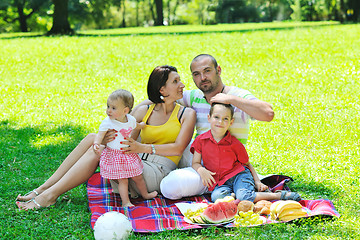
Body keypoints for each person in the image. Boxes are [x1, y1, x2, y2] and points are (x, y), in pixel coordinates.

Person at [16, 65, 196, 210]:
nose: (182, 85)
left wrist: (142, 148)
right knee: (93, 139)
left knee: (98, 152)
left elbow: (178, 148)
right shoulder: (146, 110)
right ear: (162, 89)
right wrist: (104, 140)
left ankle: (49, 196)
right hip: (136, 160)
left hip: (157, 171)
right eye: (176, 81)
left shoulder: (186, 114)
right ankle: (42, 189)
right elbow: (123, 136)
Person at [159, 54, 275, 199]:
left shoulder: (238, 95)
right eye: (197, 74)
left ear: (218, 70)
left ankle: (231, 187)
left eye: (207, 71)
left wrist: (230, 99)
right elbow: (160, 100)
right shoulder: (195, 96)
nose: (203, 78)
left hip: (226, 169)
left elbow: (268, 114)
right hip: (197, 161)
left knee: (171, 187)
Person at [192, 102, 301, 202]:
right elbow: (195, 162)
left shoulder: (234, 143)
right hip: (220, 182)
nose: (220, 122)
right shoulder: (201, 140)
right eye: (216, 117)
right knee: (216, 197)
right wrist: (201, 170)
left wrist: (257, 181)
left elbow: (247, 164)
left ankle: (279, 195)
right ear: (209, 118)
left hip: (239, 175)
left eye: (225, 119)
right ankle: (238, 195)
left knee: (244, 197)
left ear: (231, 122)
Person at [93, 89, 157, 207]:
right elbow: (100, 134)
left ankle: (145, 194)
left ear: (125, 110)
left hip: (128, 153)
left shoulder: (130, 119)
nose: (108, 111)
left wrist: (143, 125)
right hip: (115, 155)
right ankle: (125, 201)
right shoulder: (107, 122)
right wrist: (97, 143)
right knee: (123, 180)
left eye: (113, 108)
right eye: (108, 106)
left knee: (138, 176)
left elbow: (136, 125)